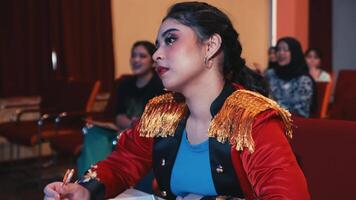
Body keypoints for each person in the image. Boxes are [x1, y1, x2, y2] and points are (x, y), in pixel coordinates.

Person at [44, 2, 310, 200]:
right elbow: (124, 163)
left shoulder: (251, 120)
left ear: (210, 46)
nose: (157, 54)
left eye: (170, 39)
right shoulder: (163, 113)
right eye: (157, 44)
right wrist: (84, 191)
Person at [77, 41, 164, 177]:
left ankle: (102, 180)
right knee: (93, 132)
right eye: (133, 56)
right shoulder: (125, 84)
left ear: (153, 62)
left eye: (142, 56)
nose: (136, 60)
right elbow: (119, 116)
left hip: (145, 135)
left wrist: (133, 124)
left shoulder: (159, 86)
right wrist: (132, 123)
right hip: (124, 129)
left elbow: (156, 122)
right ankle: (90, 180)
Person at [266, 37, 316, 118]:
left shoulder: (304, 80)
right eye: (278, 50)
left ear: (294, 53)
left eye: (286, 50)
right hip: (269, 119)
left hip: (294, 123)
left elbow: (302, 112)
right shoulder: (271, 75)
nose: (281, 53)